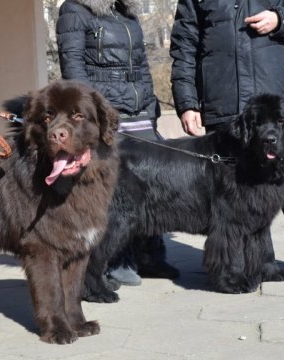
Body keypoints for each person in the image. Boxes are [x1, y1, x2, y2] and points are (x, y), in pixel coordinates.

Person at [170, 0, 284, 284]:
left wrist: (281, 19)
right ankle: (243, 265)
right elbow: (184, 42)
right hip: (223, 102)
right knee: (231, 191)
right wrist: (187, 102)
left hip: (270, 102)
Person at [56, 0, 179, 287]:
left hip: (141, 115)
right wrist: (95, 118)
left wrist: (151, 108)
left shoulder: (127, 13)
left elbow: (142, 66)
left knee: (153, 185)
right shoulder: (75, 11)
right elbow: (74, 70)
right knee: (120, 191)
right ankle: (115, 260)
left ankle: (150, 255)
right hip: (109, 117)